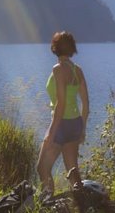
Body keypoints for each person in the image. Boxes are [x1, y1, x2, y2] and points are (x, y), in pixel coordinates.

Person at [36, 31, 89, 197]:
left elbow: (61, 103)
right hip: (75, 123)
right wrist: (82, 129)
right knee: (73, 171)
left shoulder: (58, 69)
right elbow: (86, 104)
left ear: (55, 48)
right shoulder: (77, 70)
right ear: (72, 48)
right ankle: (84, 206)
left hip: (61, 124)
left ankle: (48, 202)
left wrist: (51, 133)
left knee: (42, 168)